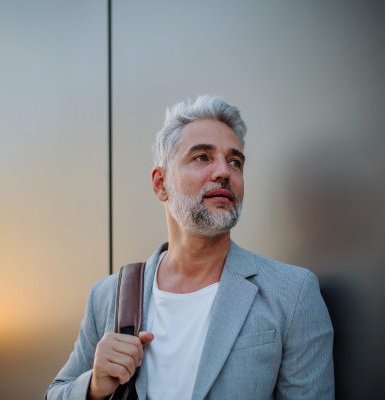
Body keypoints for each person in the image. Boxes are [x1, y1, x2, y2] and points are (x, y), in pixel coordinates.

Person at [46, 95, 334, 400]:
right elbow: (56, 393)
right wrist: (93, 386)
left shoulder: (293, 293)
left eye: (234, 161)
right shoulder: (107, 296)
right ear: (161, 184)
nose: (224, 171)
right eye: (202, 157)